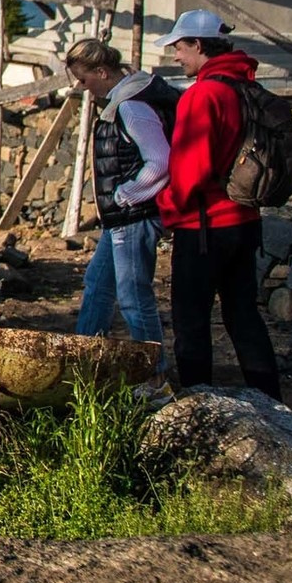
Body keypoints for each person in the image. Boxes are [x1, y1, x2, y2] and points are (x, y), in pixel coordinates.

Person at [155, 10, 282, 399]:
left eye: (179, 47)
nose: (175, 56)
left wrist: (166, 209)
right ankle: (269, 398)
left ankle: (199, 401)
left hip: (205, 226)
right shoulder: (246, 87)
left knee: (191, 319)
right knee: (242, 313)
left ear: (198, 45)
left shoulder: (203, 95)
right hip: (246, 218)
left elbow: (190, 168)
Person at [62, 40, 175, 360]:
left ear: (102, 71)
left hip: (134, 217)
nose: (81, 87)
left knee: (133, 298)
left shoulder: (132, 106)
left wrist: (127, 195)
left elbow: (160, 160)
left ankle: (154, 375)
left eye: (84, 79)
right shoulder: (122, 102)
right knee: (97, 283)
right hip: (120, 219)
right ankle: (83, 362)